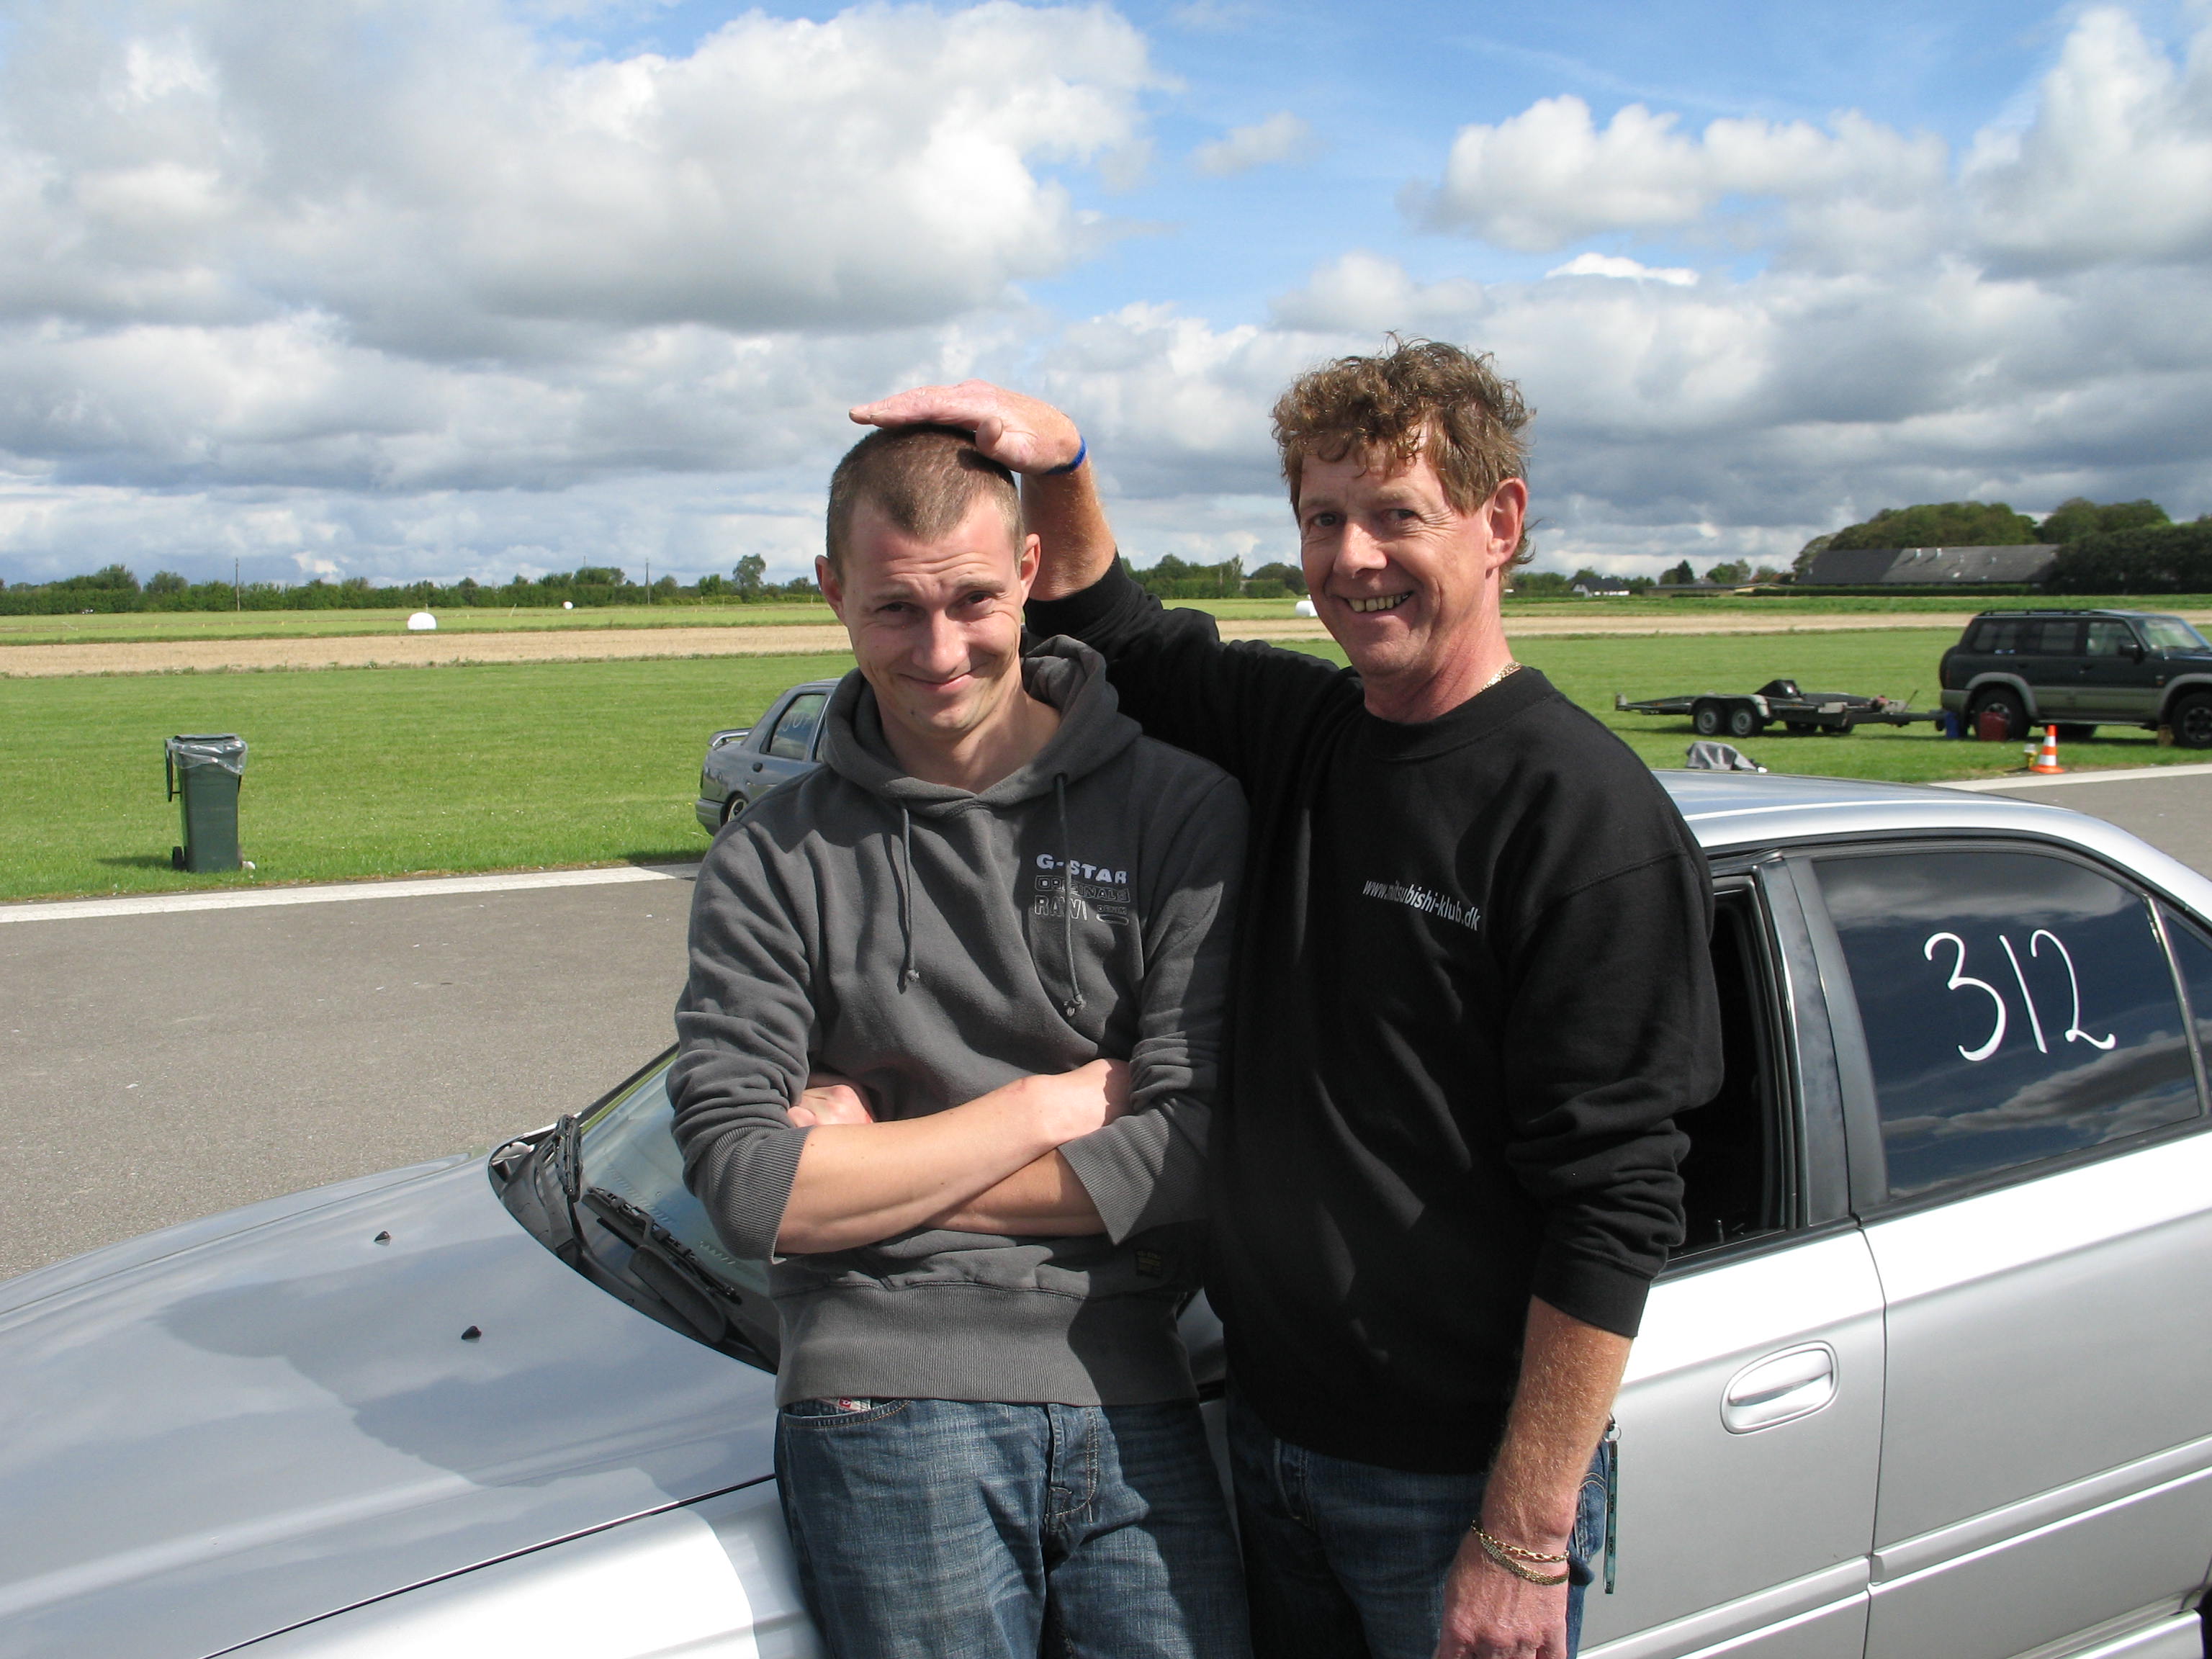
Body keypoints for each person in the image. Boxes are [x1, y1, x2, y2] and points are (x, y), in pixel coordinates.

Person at [852, 341, 1722, 1659]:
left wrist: (1524, 1536)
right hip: (1264, 1439)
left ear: (1500, 523)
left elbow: (1616, 1206)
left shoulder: (1583, 820)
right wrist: (1062, 463)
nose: (1353, 558)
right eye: (1323, 519)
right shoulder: (1305, 733)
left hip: (1453, 1489)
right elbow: (1120, 631)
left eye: (1395, 515)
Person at [668, 424, 1251, 1659]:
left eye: (973, 600)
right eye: (895, 608)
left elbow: (1193, 1150)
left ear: (1031, 572)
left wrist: (865, 1173)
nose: (940, 652)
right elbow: (747, 1187)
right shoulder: (770, 860)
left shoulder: (1179, 810)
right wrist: (1038, 1111)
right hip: (880, 1389)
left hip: (1130, 1375)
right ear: (833, 592)